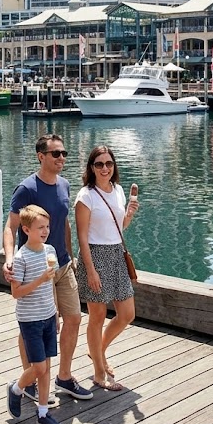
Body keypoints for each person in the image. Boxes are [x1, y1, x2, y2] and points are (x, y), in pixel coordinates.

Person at [3, 134, 92, 402]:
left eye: (64, 153)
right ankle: (29, 378)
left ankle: (64, 377)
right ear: (41, 156)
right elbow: (11, 227)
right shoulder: (26, 189)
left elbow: (63, 223)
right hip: (33, 268)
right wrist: (9, 258)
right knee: (32, 324)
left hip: (62, 265)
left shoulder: (64, 184)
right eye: (56, 154)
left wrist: (70, 255)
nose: (61, 158)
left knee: (74, 318)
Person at [74, 145, 139, 391]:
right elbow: (82, 237)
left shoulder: (119, 190)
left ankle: (97, 352)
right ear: (91, 168)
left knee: (127, 314)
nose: (105, 168)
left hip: (116, 254)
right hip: (96, 256)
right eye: (99, 164)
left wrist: (129, 214)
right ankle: (99, 373)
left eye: (109, 164)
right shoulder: (86, 196)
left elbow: (119, 227)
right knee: (97, 317)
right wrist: (90, 269)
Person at [6, 205, 67, 424]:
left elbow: (52, 285)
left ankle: (43, 413)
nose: (45, 231)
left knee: (47, 366)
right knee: (39, 367)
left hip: (48, 315)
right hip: (30, 319)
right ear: (26, 229)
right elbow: (16, 292)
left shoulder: (50, 250)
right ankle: (17, 387)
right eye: (40, 227)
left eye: (47, 227)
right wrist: (40, 279)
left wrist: (56, 312)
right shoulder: (21, 258)